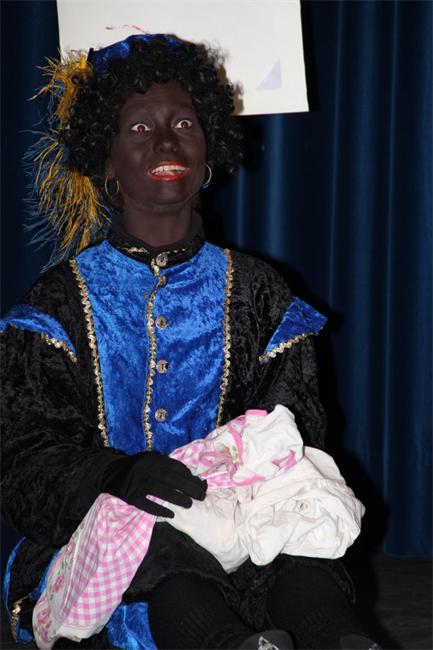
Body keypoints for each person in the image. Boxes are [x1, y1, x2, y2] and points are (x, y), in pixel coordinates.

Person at [1, 34, 380, 650]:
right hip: (98, 534)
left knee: (294, 540)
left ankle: (341, 639)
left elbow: (294, 437)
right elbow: (22, 462)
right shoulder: (54, 307)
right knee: (157, 549)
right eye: (139, 127)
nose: (166, 141)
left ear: (209, 151)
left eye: (184, 123)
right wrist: (117, 473)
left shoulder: (261, 294)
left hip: (242, 520)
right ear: (106, 161)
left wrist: (233, 488)